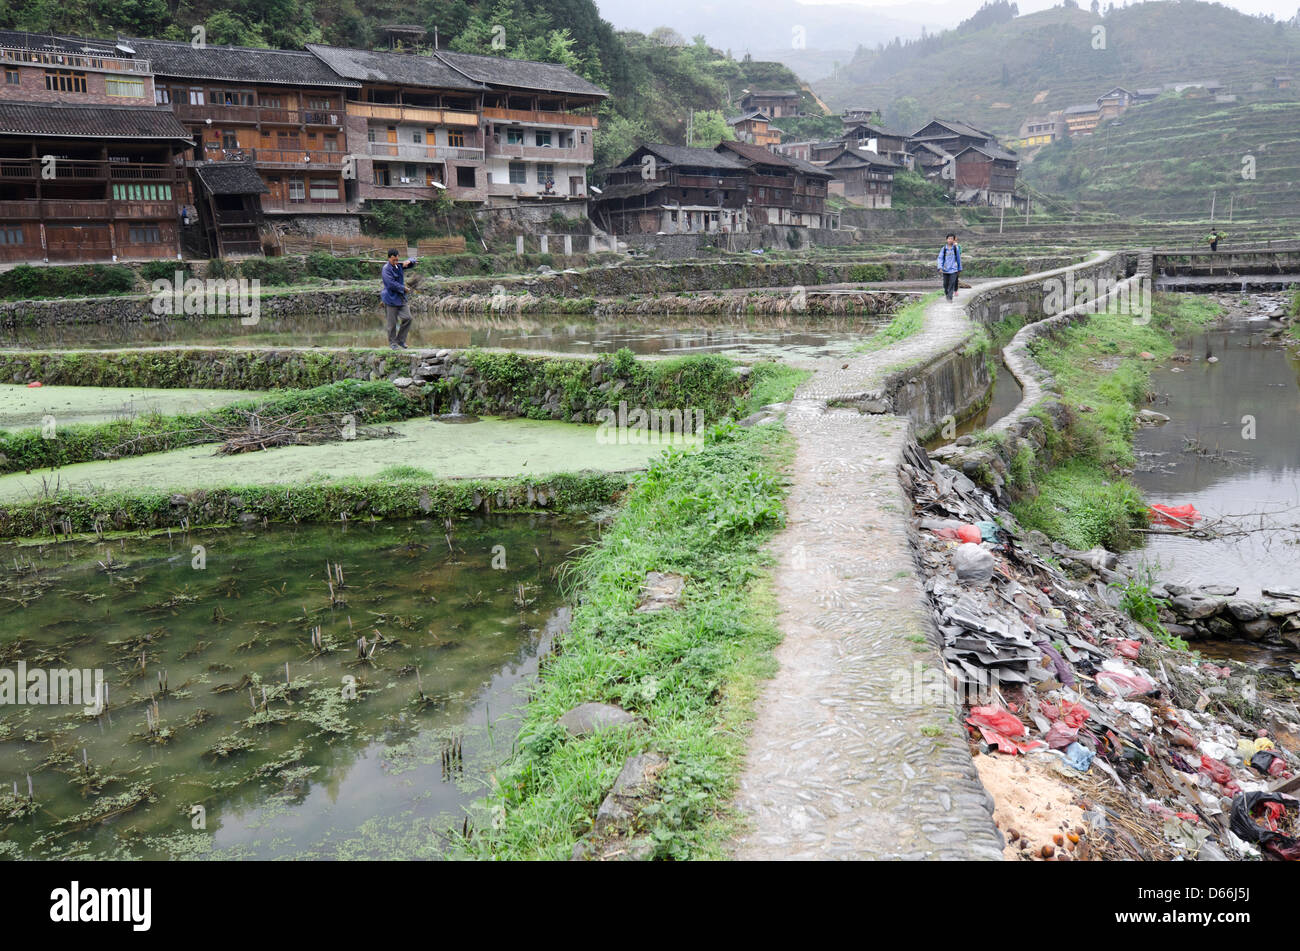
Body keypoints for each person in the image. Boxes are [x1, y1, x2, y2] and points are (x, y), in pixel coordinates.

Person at [381, 249, 418, 350]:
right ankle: (393, 343)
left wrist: (410, 261)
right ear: (389, 258)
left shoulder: (399, 265)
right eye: (394, 260)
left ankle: (400, 340)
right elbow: (391, 284)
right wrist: (403, 288)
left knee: (408, 318)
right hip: (391, 298)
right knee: (392, 323)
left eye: (397, 259)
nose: (396, 262)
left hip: (401, 298)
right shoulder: (386, 269)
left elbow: (414, 261)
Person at [937, 232, 962, 301]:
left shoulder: (955, 249)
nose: (950, 240)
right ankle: (947, 294)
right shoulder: (943, 249)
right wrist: (940, 267)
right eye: (949, 238)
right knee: (945, 284)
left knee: (951, 284)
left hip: (953, 269)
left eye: (952, 239)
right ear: (946, 240)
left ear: (954, 240)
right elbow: (940, 258)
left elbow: (958, 258)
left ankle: (949, 298)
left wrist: (959, 268)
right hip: (945, 270)